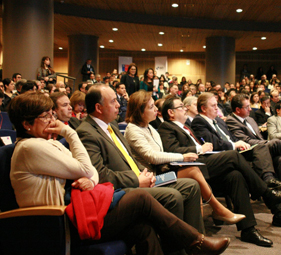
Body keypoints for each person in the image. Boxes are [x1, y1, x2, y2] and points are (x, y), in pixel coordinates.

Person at [7, 91, 229, 255]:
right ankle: (196, 242)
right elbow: (89, 170)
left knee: (144, 229)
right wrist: (69, 133)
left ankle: (194, 244)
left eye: (51, 114)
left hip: (74, 214)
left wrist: (86, 176)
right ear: (26, 124)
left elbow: (91, 175)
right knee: (141, 198)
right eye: (46, 116)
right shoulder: (32, 147)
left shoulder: (45, 144)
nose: (52, 121)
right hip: (54, 224)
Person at [158, 96, 281, 246]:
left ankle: (248, 230)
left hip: (206, 161)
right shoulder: (167, 127)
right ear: (171, 112)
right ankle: (267, 193)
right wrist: (199, 148)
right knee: (233, 155)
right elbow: (172, 150)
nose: (185, 108)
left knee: (235, 176)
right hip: (194, 166)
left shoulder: (186, 126)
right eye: (181, 107)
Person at [76, 84, 205, 235]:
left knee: (191, 186)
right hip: (123, 189)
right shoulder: (86, 132)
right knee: (173, 196)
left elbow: (129, 158)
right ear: (99, 108)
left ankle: (195, 245)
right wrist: (137, 179)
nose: (118, 104)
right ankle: (182, 248)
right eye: (113, 102)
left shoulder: (112, 126)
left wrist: (145, 174)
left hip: (141, 178)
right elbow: (100, 174)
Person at [124, 91, 245, 226]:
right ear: (140, 111)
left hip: (161, 170)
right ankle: (217, 209)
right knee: (193, 171)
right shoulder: (133, 129)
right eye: (152, 107)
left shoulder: (150, 128)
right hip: (151, 178)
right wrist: (183, 157)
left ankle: (204, 224)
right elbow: (152, 156)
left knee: (194, 174)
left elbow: (161, 153)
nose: (157, 109)